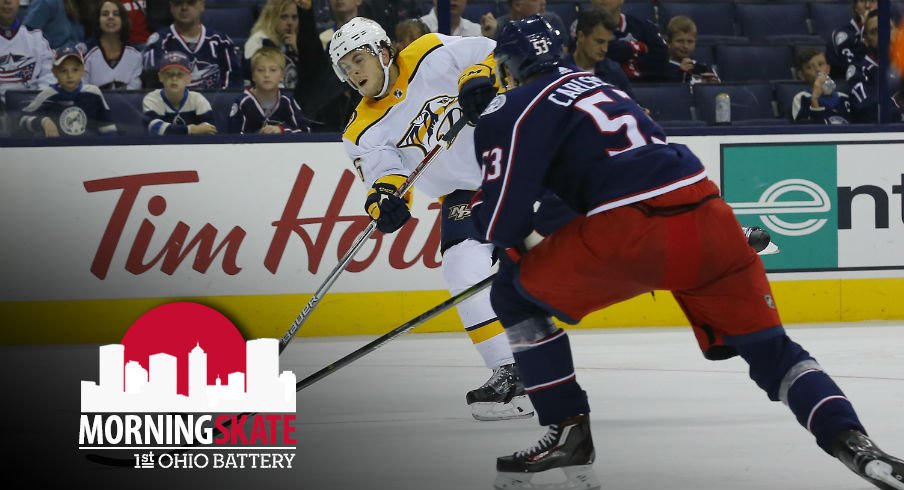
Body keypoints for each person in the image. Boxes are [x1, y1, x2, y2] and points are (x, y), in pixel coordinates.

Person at [458, 15, 904, 490]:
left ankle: (568, 430)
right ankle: (855, 445)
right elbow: (600, 179)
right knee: (775, 354)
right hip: (711, 216)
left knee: (512, 292)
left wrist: (486, 196)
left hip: (635, 229)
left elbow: (504, 223)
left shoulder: (513, 105)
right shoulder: (598, 84)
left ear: (508, 65)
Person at [329, 16, 533, 421]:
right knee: (461, 270)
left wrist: (476, 79)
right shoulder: (361, 131)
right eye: (345, 67)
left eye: (358, 59)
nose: (353, 72)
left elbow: (491, 54)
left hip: (509, 163)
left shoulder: (427, 51)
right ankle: (510, 371)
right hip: (463, 193)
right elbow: (384, 174)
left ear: (383, 51)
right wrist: (383, 201)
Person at [18, 45, 117, 137]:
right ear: (55, 72)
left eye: (75, 70)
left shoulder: (93, 92)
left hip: (89, 150)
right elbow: (20, 120)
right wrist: (42, 121)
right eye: (64, 71)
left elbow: (108, 128)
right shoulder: (46, 95)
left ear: (82, 70)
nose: (70, 76)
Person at [142, 0, 242, 90]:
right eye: (178, 3)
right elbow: (154, 86)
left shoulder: (222, 41)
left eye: (191, 3)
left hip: (215, 107)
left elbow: (233, 85)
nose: (184, 8)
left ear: (202, 5)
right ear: (171, 7)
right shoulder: (159, 42)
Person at [229, 46, 311, 134]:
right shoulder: (243, 103)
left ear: (282, 75)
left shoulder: (287, 101)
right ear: (253, 76)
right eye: (260, 70)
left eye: (273, 70)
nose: (267, 75)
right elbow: (232, 136)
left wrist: (282, 130)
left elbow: (305, 130)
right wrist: (258, 136)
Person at [587, 0, 668, 82]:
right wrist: (635, 48)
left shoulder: (642, 26)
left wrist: (632, 66)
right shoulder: (582, 27)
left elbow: (661, 57)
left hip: (642, 84)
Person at [564, 7, 634, 98]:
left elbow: (633, 106)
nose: (605, 49)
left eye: (607, 43)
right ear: (581, 36)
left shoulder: (613, 71)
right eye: (599, 42)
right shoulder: (558, 71)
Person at [142, 50, 216, 135]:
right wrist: (191, 130)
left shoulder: (197, 99)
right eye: (169, 74)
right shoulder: (152, 99)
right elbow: (154, 128)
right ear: (160, 77)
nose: (174, 78)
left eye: (180, 74)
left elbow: (210, 128)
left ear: (189, 78)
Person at [848, 9, 902, 123]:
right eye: (875, 31)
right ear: (866, 40)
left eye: (888, 29)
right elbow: (868, 110)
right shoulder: (859, 70)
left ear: (896, 33)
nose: (883, 35)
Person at [0, 0, 56, 104]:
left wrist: (35, 105)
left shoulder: (37, 39)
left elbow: (50, 77)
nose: (7, 1)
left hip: (34, 109)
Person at [83, 0, 143, 90]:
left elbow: (134, 94)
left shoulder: (136, 55)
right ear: (98, 20)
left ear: (123, 20)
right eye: (105, 14)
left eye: (116, 14)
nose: (110, 17)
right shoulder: (86, 53)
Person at [244, 0, 301, 90]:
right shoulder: (258, 42)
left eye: (294, 17)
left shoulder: (295, 42)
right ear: (271, 17)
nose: (290, 23)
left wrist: (299, 51)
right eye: (284, 17)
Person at [792, 47, 850, 124]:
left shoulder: (844, 98)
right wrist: (814, 100)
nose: (818, 69)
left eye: (821, 64)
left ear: (828, 69)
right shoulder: (802, 98)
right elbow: (806, 130)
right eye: (809, 67)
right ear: (801, 75)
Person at [826, 0, 875, 80]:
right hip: (847, 84)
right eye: (863, 1)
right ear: (855, 6)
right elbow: (853, 66)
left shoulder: (887, 31)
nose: (868, 5)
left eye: (873, 1)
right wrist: (865, 28)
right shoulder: (843, 35)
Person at [664, 15, 719, 84]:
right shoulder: (663, 70)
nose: (685, 46)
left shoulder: (703, 69)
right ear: (668, 42)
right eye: (680, 41)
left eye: (690, 41)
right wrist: (680, 74)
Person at [480, 0, 566, 43]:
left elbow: (562, 55)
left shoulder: (552, 20)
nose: (543, 2)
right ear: (517, 6)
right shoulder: (499, 27)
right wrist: (492, 37)